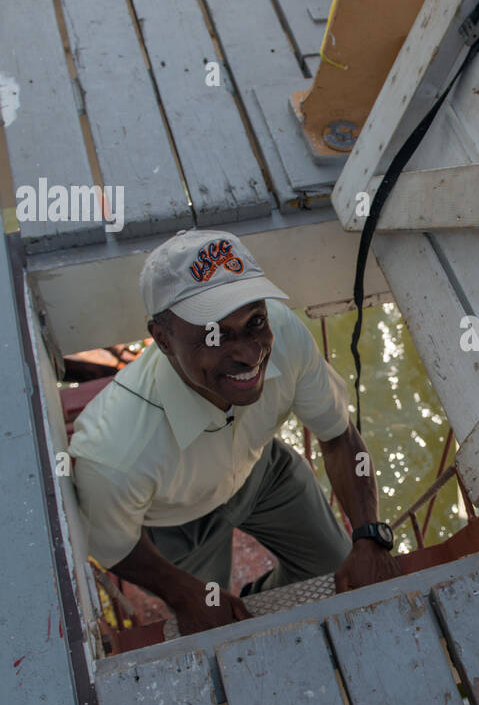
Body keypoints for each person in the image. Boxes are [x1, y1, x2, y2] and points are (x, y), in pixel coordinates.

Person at [69, 230, 400, 635]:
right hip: (178, 520)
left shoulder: (286, 334)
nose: (248, 353)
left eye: (254, 321)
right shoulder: (114, 454)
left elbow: (337, 436)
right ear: (162, 339)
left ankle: (258, 592)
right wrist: (183, 594)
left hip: (264, 471)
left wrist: (369, 534)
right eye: (214, 334)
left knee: (333, 567)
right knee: (214, 622)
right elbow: (115, 545)